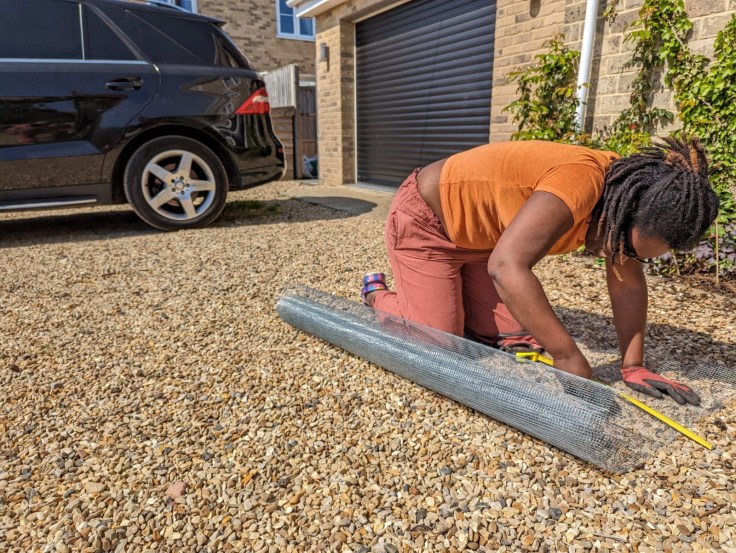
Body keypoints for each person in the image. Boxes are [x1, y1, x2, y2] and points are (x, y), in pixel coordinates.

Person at [360, 137, 718, 406]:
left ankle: (448, 297)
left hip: (482, 244)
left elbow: (628, 289)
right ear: (624, 215)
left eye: (631, 255)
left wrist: (633, 365)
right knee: (440, 341)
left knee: (516, 333)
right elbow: (506, 266)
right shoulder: (580, 183)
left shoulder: (625, 209)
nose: (616, 257)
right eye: (620, 247)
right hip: (428, 225)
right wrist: (568, 356)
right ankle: (377, 293)